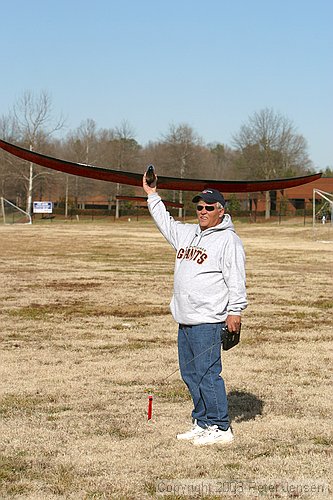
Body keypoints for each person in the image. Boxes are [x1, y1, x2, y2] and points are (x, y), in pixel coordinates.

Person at [143, 173, 247, 446]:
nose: (202, 211)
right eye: (199, 207)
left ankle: (221, 427)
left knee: (207, 373)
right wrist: (152, 194)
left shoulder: (228, 240)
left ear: (221, 211)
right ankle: (202, 422)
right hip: (185, 317)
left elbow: (236, 278)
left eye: (208, 208)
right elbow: (164, 222)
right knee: (190, 374)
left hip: (209, 319)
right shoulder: (187, 233)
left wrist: (235, 311)